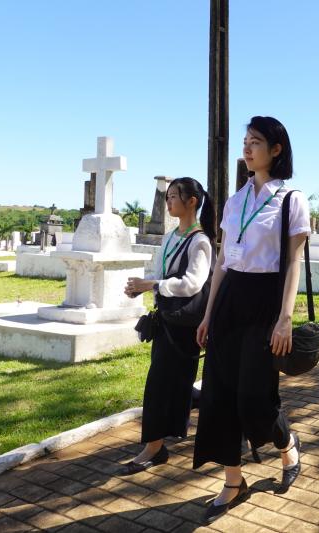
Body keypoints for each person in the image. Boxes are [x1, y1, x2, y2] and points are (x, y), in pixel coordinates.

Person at [193, 116, 310, 522]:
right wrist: (209, 313)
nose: (246, 148)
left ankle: (287, 443)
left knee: (255, 398)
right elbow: (223, 260)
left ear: (276, 149)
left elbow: (293, 260)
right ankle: (232, 479)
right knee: (219, 394)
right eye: (244, 141)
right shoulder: (235, 199)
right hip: (230, 301)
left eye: (255, 142)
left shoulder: (291, 198)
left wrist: (285, 318)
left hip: (266, 301)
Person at [120, 178, 215, 475]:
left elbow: (193, 284)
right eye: (168, 196)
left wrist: (153, 284)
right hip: (166, 321)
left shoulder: (200, 240)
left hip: (184, 325)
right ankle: (158, 441)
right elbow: (160, 273)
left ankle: (155, 446)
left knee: (164, 383)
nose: (169, 201)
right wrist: (143, 287)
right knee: (165, 382)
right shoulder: (170, 236)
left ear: (192, 202)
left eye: (175, 196)